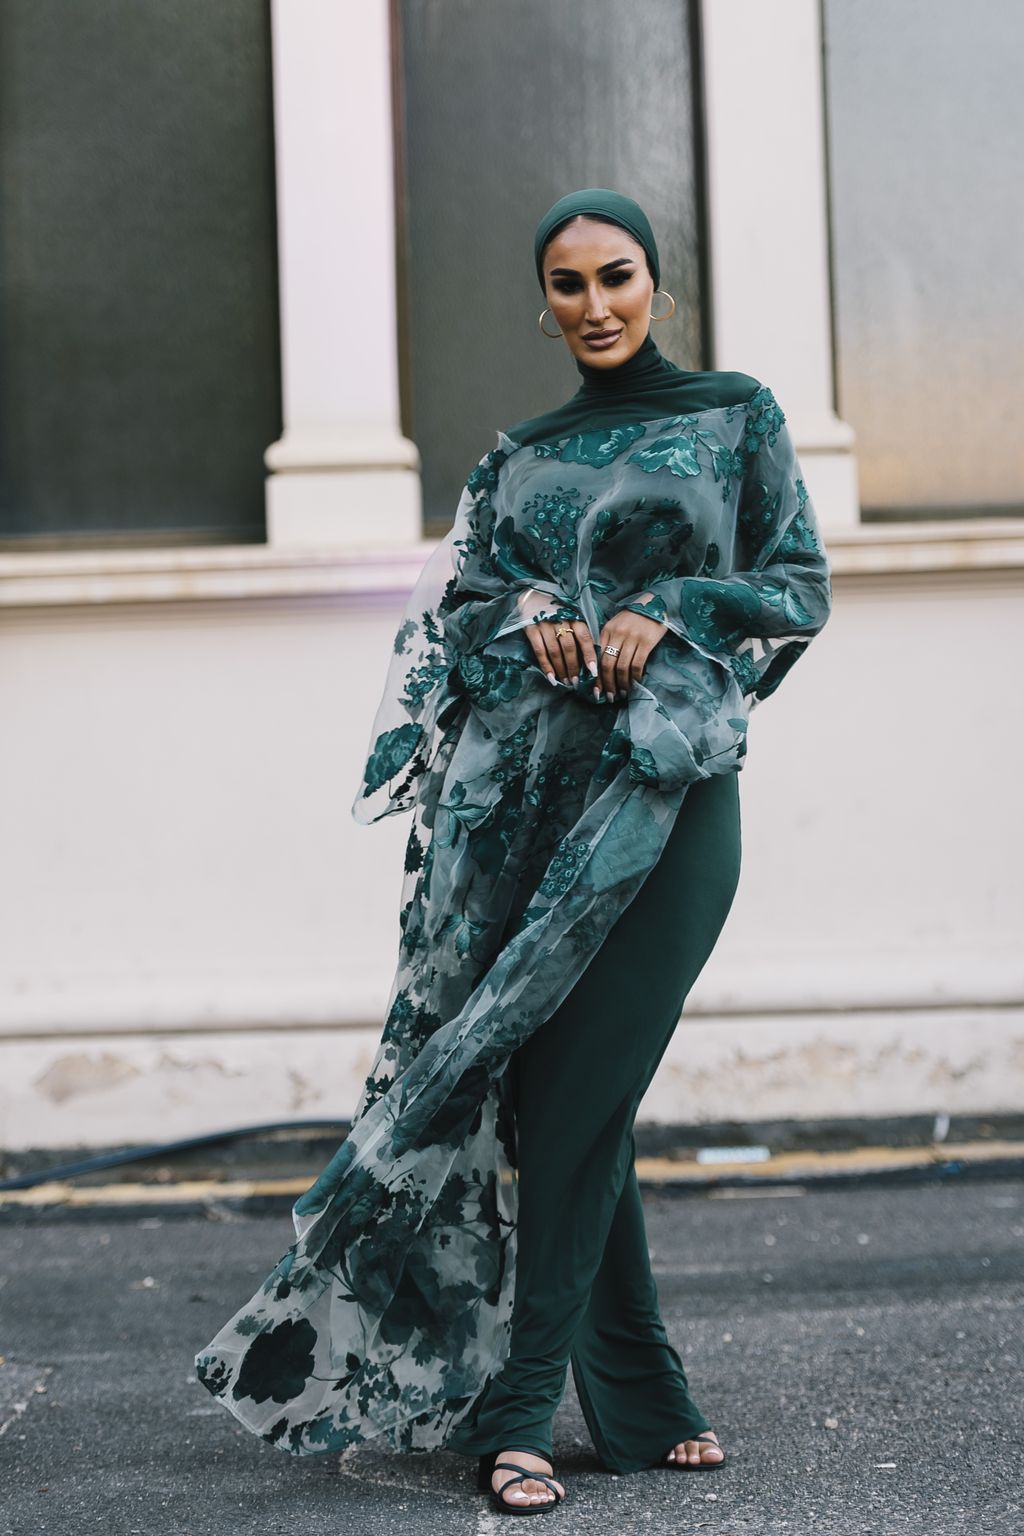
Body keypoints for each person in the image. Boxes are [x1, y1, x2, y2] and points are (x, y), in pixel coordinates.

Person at [194, 188, 833, 1518]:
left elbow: (797, 590)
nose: (594, 304)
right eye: (566, 284)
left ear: (658, 282)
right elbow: (453, 625)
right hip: (521, 811)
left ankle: (511, 1413)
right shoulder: (518, 455)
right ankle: (645, 1401)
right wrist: (532, 613)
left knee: (586, 1091)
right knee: (558, 1105)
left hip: (666, 800)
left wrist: (669, 611)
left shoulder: (735, 416)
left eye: (616, 277)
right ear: (541, 301)